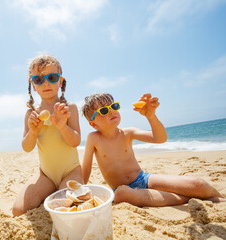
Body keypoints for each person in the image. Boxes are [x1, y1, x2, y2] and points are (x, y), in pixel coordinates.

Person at [81, 93, 225, 207]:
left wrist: (151, 116)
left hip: (143, 179)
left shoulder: (128, 132)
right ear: (93, 124)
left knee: (198, 184)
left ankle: (218, 196)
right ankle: (186, 198)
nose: (111, 111)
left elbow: (159, 138)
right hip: (123, 189)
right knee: (121, 194)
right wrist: (79, 191)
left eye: (114, 106)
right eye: (104, 110)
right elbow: (86, 169)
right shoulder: (93, 138)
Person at [12, 55, 83, 216]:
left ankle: (64, 190)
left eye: (51, 77)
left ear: (60, 81)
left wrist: (62, 126)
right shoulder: (32, 114)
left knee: (65, 209)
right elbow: (27, 147)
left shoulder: (69, 108)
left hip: (71, 171)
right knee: (18, 210)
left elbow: (75, 142)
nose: (45, 83)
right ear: (33, 85)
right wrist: (34, 131)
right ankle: (51, 190)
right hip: (46, 175)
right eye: (38, 79)